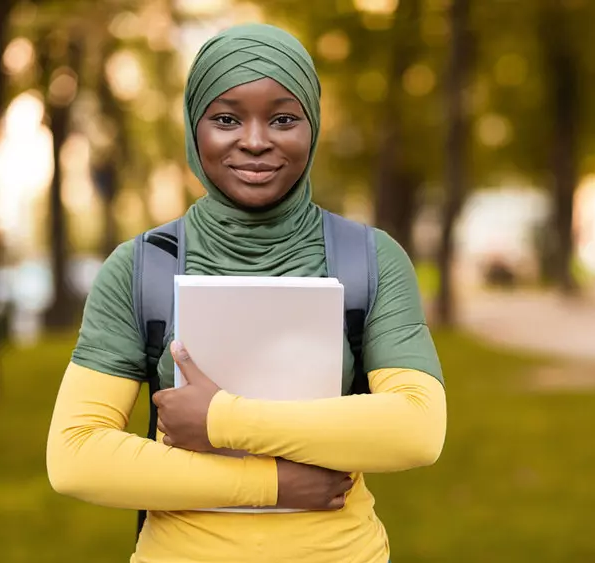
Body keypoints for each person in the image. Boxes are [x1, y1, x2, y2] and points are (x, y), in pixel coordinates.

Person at [46, 23, 446, 563]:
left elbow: (417, 429)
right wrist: (272, 485)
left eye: (283, 118)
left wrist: (220, 420)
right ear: (194, 129)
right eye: (226, 118)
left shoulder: (369, 259)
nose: (255, 141)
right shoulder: (141, 268)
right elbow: (75, 456)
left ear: (313, 127)